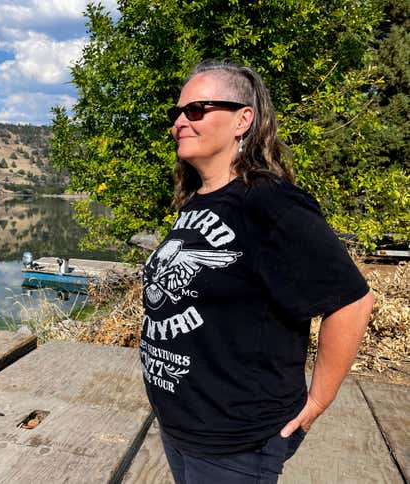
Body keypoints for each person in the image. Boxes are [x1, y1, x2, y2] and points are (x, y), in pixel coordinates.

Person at [140, 60, 374, 483]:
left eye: (196, 110)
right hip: (183, 426)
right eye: (175, 113)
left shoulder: (269, 202)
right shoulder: (199, 200)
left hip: (236, 440)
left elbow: (352, 301)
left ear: (242, 119)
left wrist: (318, 401)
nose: (179, 122)